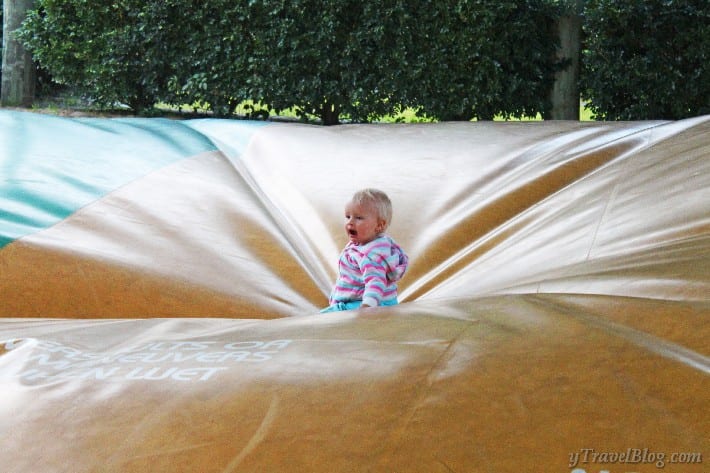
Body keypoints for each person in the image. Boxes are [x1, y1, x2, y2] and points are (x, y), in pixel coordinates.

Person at [320, 188, 409, 312]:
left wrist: (368, 306)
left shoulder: (370, 254)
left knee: (319, 319)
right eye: (347, 217)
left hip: (365, 303)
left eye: (359, 218)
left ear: (379, 225)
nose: (350, 222)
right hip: (381, 301)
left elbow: (376, 280)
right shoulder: (368, 245)